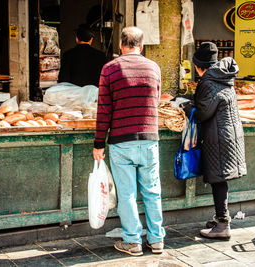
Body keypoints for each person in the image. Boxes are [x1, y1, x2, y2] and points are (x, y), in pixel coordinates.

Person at [93, 26, 165, 256]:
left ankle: (133, 241)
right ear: (141, 46)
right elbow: (155, 100)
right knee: (152, 192)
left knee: (127, 195)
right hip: (149, 139)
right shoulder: (154, 68)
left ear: (121, 45)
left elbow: (103, 110)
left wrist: (98, 144)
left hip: (121, 142)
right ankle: (156, 240)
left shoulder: (110, 69)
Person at [182, 42, 247, 240]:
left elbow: (203, 114)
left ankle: (222, 224)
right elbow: (213, 103)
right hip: (229, 134)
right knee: (221, 179)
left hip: (218, 136)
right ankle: (221, 218)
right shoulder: (223, 77)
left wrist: (187, 108)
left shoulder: (208, 81)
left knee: (218, 180)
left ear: (198, 65)